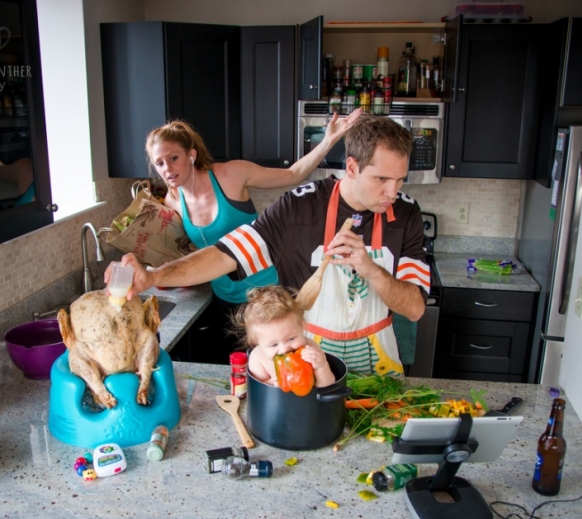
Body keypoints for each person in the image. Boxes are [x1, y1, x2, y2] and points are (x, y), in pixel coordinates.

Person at [109, 115, 428, 376]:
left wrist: (371, 270)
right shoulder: (299, 208)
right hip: (308, 363)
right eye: (382, 179)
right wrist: (153, 276)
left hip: (379, 366)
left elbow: (414, 309)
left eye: (400, 180)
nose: (392, 193)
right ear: (353, 167)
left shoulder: (406, 213)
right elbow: (224, 256)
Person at [230, 286, 335, 389]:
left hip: (310, 399)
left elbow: (328, 386)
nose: (285, 349)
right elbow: (255, 389)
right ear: (257, 342)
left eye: (291, 338)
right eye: (274, 345)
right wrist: (271, 383)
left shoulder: (311, 348)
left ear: (302, 326)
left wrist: (321, 366)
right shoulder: (258, 358)